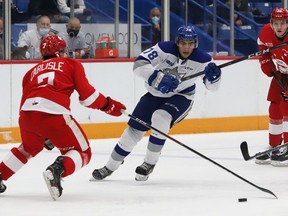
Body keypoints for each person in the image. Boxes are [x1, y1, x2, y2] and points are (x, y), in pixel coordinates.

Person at [0, 35, 126, 200]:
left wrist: (41, 132)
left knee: (28, 148)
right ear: (61, 51)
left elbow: (24, 102)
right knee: (82, 152)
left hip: (27, 117)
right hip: (53, 114)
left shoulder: (30, 72)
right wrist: (110, 106)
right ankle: (57, 169)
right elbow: (88, 97)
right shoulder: (71, 64)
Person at [90, 25, 222, 181]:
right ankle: (109, 167)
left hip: (181, 97)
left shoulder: (204, 59)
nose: (187, 47)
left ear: (195, 44)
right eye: (183, 43)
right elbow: (138, 65)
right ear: (177, 42)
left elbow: (212, 88)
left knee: (161, 117)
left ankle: (149, 163)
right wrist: (159, 78)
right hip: (154, 94)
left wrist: (215, 78)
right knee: (132, 132)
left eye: (191, 43)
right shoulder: (163, 48)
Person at [255, 7, 288, 166]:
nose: (279, 27)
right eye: (276, 23)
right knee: (274, 107)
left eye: (283, 23)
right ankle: (275, 146)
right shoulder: (266, 32)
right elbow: (262, 46)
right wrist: (267, 63)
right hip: (281, 74)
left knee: (286, 105)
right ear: (271, 23)